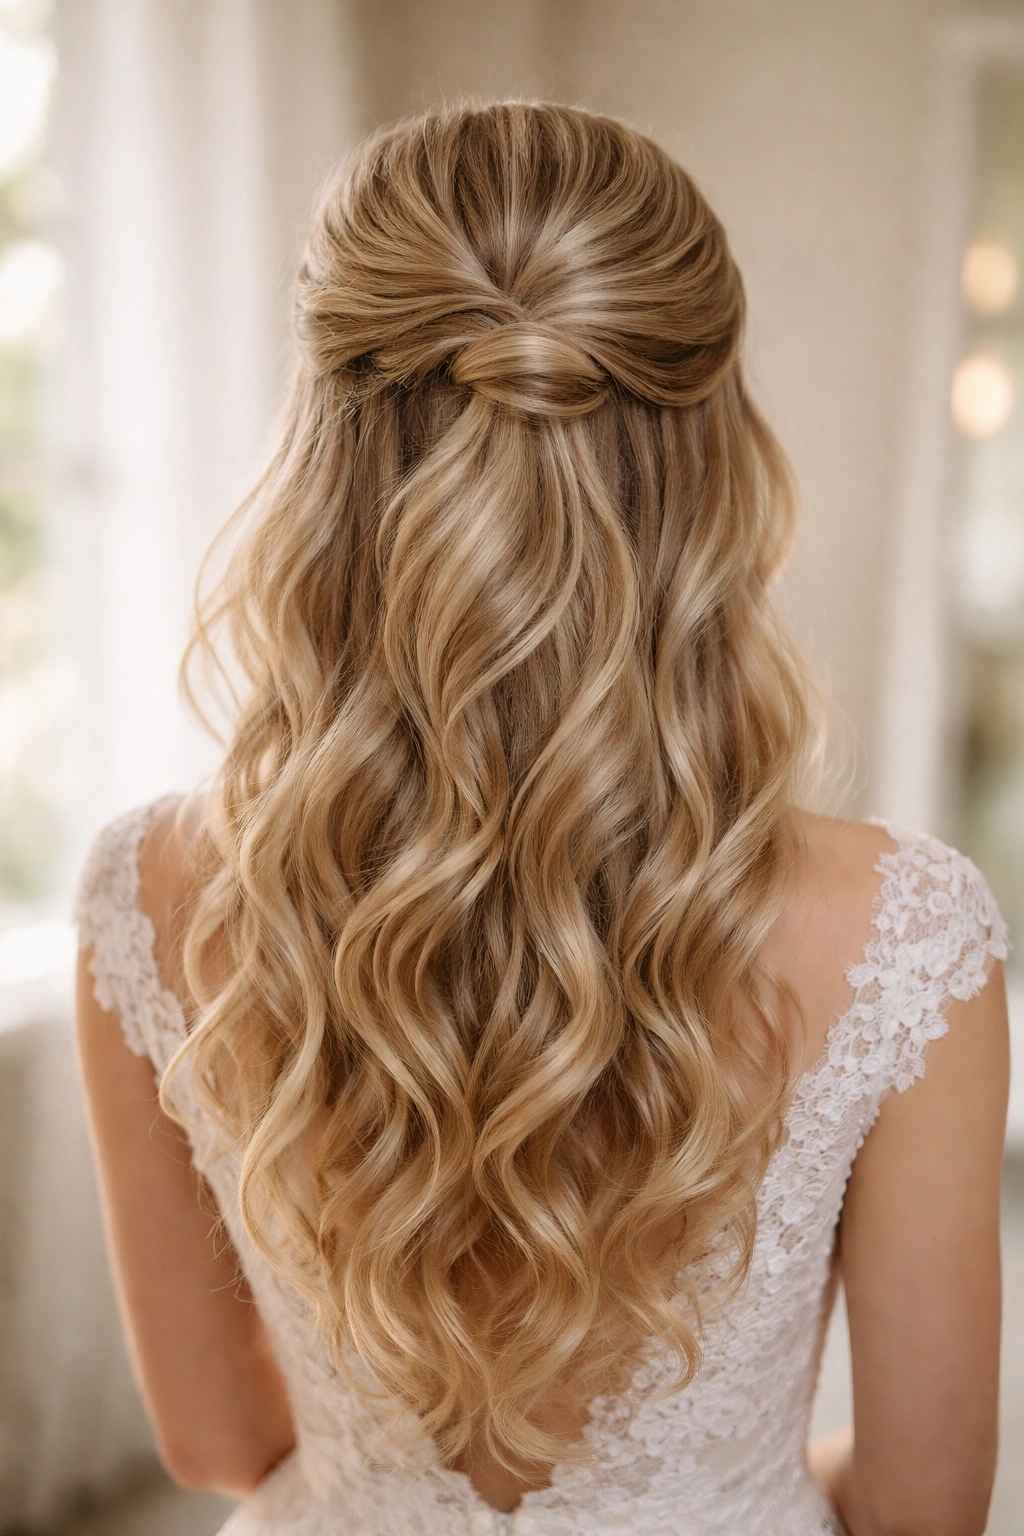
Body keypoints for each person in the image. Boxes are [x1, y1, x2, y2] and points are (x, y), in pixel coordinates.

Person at [74, 102, 1009, 1536]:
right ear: (710, 454)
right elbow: (923, 1504)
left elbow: (211, 1437)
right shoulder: (906, 933)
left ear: (326, 449)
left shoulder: (146, 888)